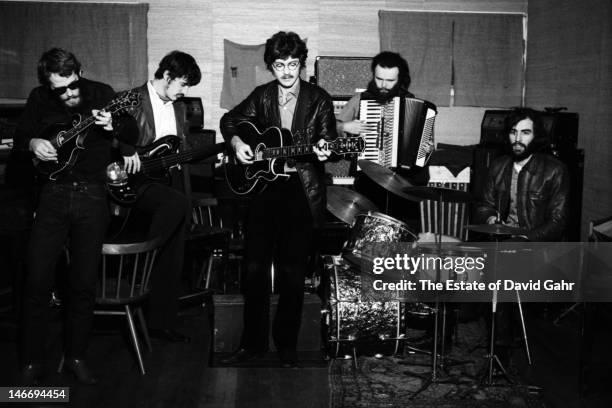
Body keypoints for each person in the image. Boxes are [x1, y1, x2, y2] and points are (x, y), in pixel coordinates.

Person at [15, 48, 132, 385]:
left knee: (82, 284)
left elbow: (129, 135)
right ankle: (31, 360)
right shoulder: (39, 97)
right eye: (58, 87)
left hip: (92, 196)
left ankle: (76, 356)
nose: (67, 92)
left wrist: (113, 126)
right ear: (46, 82)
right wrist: (35, 142)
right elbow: (22, 136)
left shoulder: (102, 93)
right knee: (36, 280)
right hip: (51, 196)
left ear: (79, 72)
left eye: (71, 83)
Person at [219, 31, 335, 367]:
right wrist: (238, 143)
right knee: (253, 269)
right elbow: (230, 120)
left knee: (293, 273)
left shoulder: (319, 99)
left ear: (301, 63)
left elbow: (328, 140)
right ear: (271, 65)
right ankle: (252, 344)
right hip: (263, 192)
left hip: (300, 190)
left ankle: (287, 345)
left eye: (293, 64)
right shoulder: (262, 96)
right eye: (280, 64)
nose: (287, 71)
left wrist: (325, 151)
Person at [118, 51, 202, 343]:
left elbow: (181, 146)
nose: (185, 91)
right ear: (166, 76)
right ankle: (138, 260)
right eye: (183, 83)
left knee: (174, 252)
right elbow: (106, 135)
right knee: (175, 206)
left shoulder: (179, 108)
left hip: (170, 181)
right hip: (133, 182)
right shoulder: (130, 99)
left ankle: (161, 323)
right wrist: (125, 149)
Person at [474, 107, 570, 242]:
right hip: (501, 241)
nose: (517, 139)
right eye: (513, 132)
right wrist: (491, 219)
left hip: (536, 248)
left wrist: (526, 237)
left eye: (525, 133)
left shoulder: (555, 170)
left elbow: (557, 221)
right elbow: (484, 205)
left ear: (535, 136)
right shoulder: (498, 166)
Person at [336, 51, 414, 136]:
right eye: (379, 79)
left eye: (390, 80)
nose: (383, 85)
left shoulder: (410, 102)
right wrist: (344, 126)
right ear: (373, 75)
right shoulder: (359, 99)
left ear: (399, 79)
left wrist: (427, 147)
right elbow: (329, 127)